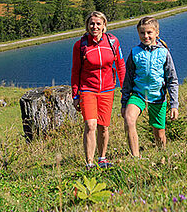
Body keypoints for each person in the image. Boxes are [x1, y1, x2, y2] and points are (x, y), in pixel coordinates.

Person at [71, 11, 126, 169]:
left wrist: (125, 89)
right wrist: (75, 94)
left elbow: (120, 66)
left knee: (103, 127)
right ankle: (89, 162)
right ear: (87, 26)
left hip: (108, 90)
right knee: (90, 125)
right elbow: (75, 71)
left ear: (104, 26)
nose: (95, 26)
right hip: (87, 90)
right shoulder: (80, 45)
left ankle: (102, 158)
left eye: (98, 23)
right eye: (91, 23)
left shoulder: (113, 42)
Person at [121, 17, 179, 157]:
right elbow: (128, 79)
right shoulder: (134, 52)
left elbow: (172, 79)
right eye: (142, 33)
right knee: (129, 119)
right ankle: (136, 157)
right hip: (138, 95)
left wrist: (174, 104)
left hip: (157, 97)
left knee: (159, 134)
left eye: (149, 32)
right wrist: (124, 102)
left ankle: (162, 156)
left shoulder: (164, 52)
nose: (145, 36)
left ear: (156, 33)